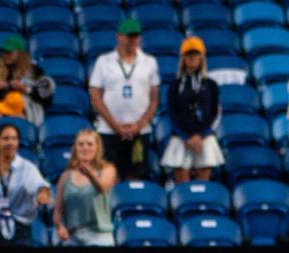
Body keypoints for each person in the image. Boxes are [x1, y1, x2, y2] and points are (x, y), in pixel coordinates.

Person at [90, 19, 159, 180]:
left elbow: (154, 99)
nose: (131, 41)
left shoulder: (150, 62)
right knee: (109, 176)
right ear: (118, 37)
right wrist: (115, 125)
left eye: (135, 37)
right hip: (109, 130)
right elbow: (95, 96)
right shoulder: (103, 61)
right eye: (128, 37)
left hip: (140, 132)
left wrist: (139, 125)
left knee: (136, 175)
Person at [0, 118, 51, 246]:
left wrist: (42, 194)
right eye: (6, 139)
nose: (10, 142)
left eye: (14, 139)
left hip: (21, 229)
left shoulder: (27, 167)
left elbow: (39, 185)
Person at [163, 37, 223, 183]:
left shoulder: (211, 85)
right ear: (183, 58)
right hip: (181, 137)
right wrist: (186, 137)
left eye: (196, 55)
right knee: (181, 178)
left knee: (204, 180)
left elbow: (215, 113)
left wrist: (201, 135)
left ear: (201, 57)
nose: (192, 59)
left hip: (204, 136)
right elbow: (172, 113)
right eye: (189, 55)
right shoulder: (175, 86)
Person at [55, 127, 118, 246]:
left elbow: (102, 188)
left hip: (99, 235)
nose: (85, 148)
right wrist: (60, 226)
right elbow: (58, 208)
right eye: (81, 144)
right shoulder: (66, 175)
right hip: (72, 236)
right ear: (75, 148)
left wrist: (89, 174)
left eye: (90, 144)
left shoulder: (108, 169)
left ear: (97, 148)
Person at [0, 36, 52, 124]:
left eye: (9, 52)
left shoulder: (35, 71)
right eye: (4, 52)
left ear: (20, 54)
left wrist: (26, 89)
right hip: (1, 109)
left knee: (18, 119)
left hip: (25, 110)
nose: (6, 55)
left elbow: (47, 99)